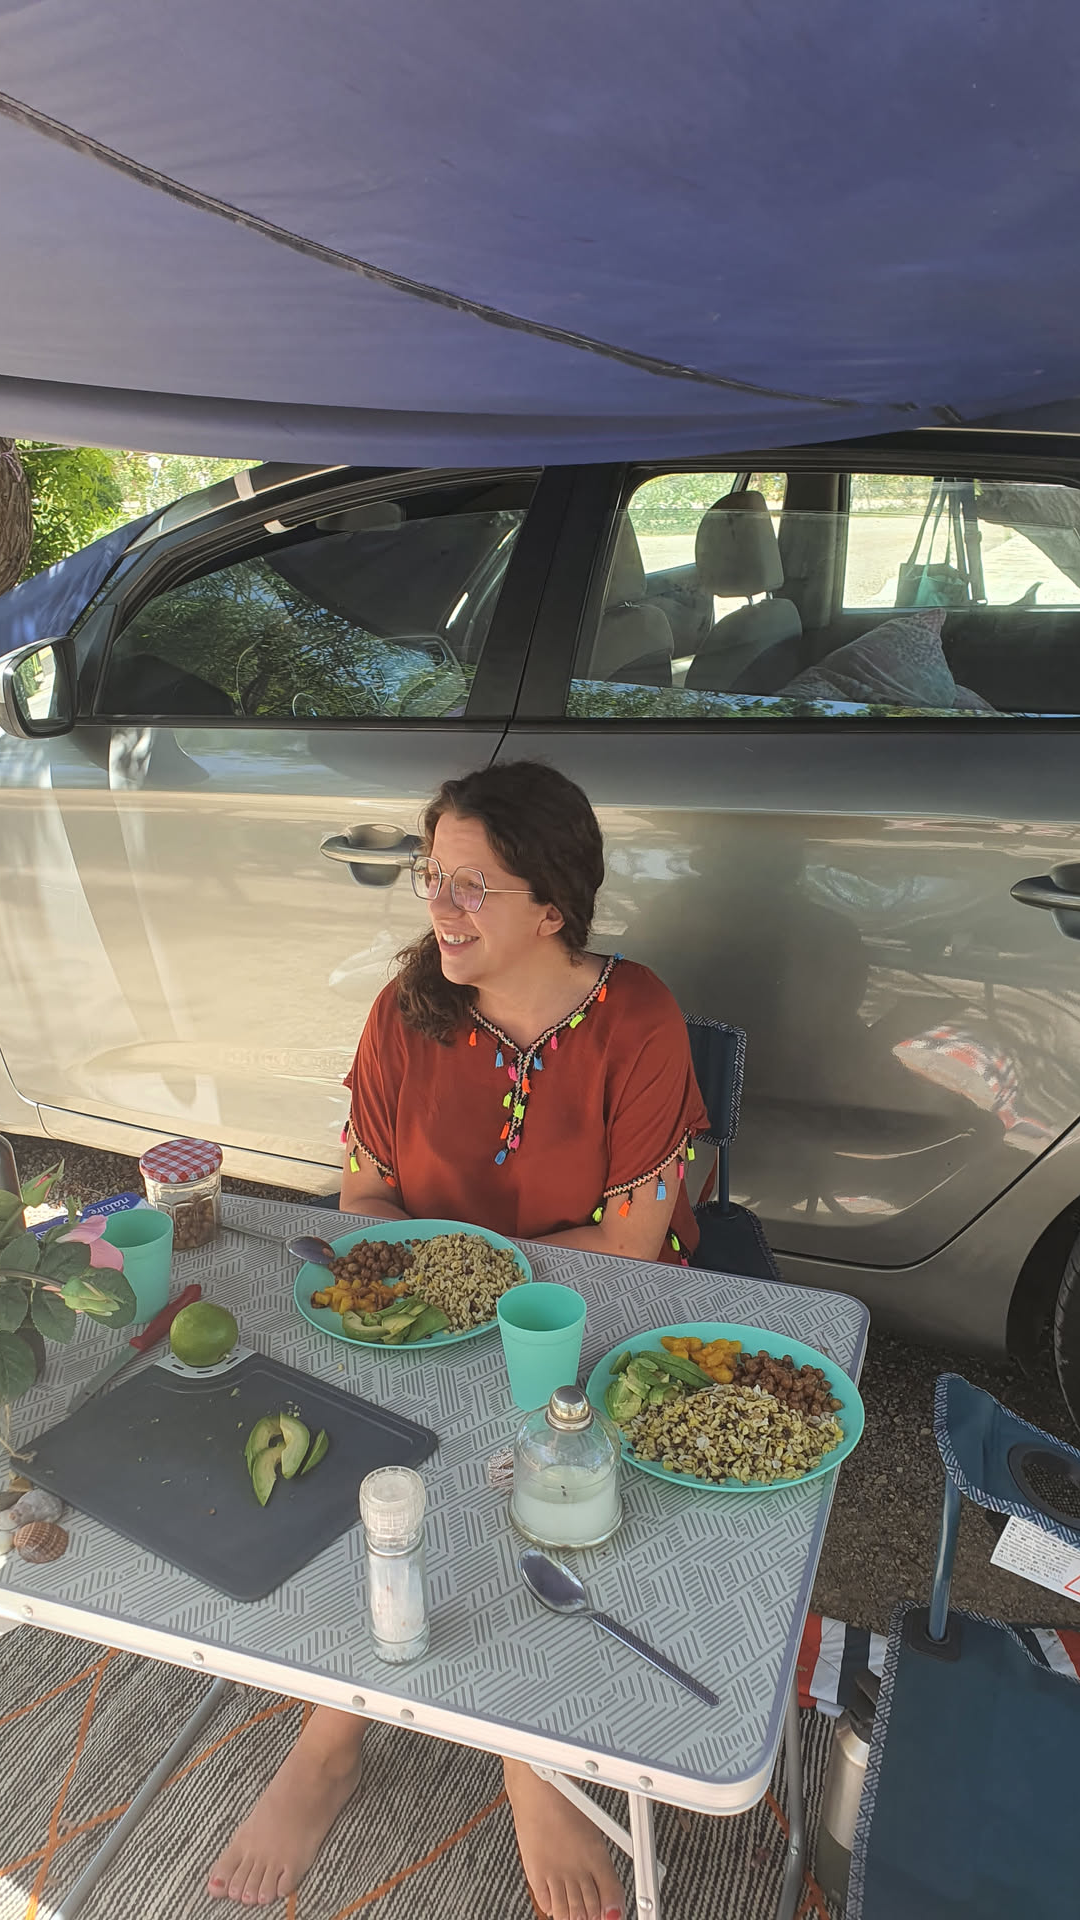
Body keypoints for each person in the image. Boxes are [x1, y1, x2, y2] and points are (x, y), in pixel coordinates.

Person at [209, 761, 708, 1920]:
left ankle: (526, 1757)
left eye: (473, 886)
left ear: (554, 906)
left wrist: (477, 1290)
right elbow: (364, 1200)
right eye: (433, 875)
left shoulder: (638, 1018)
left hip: (590, 1311)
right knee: (366, 1472)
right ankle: (331, 1739)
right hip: (422, 1320)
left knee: (550, 1489)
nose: (440, 905)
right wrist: (418, 1300)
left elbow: (632, 1243)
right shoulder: (407, 1009)